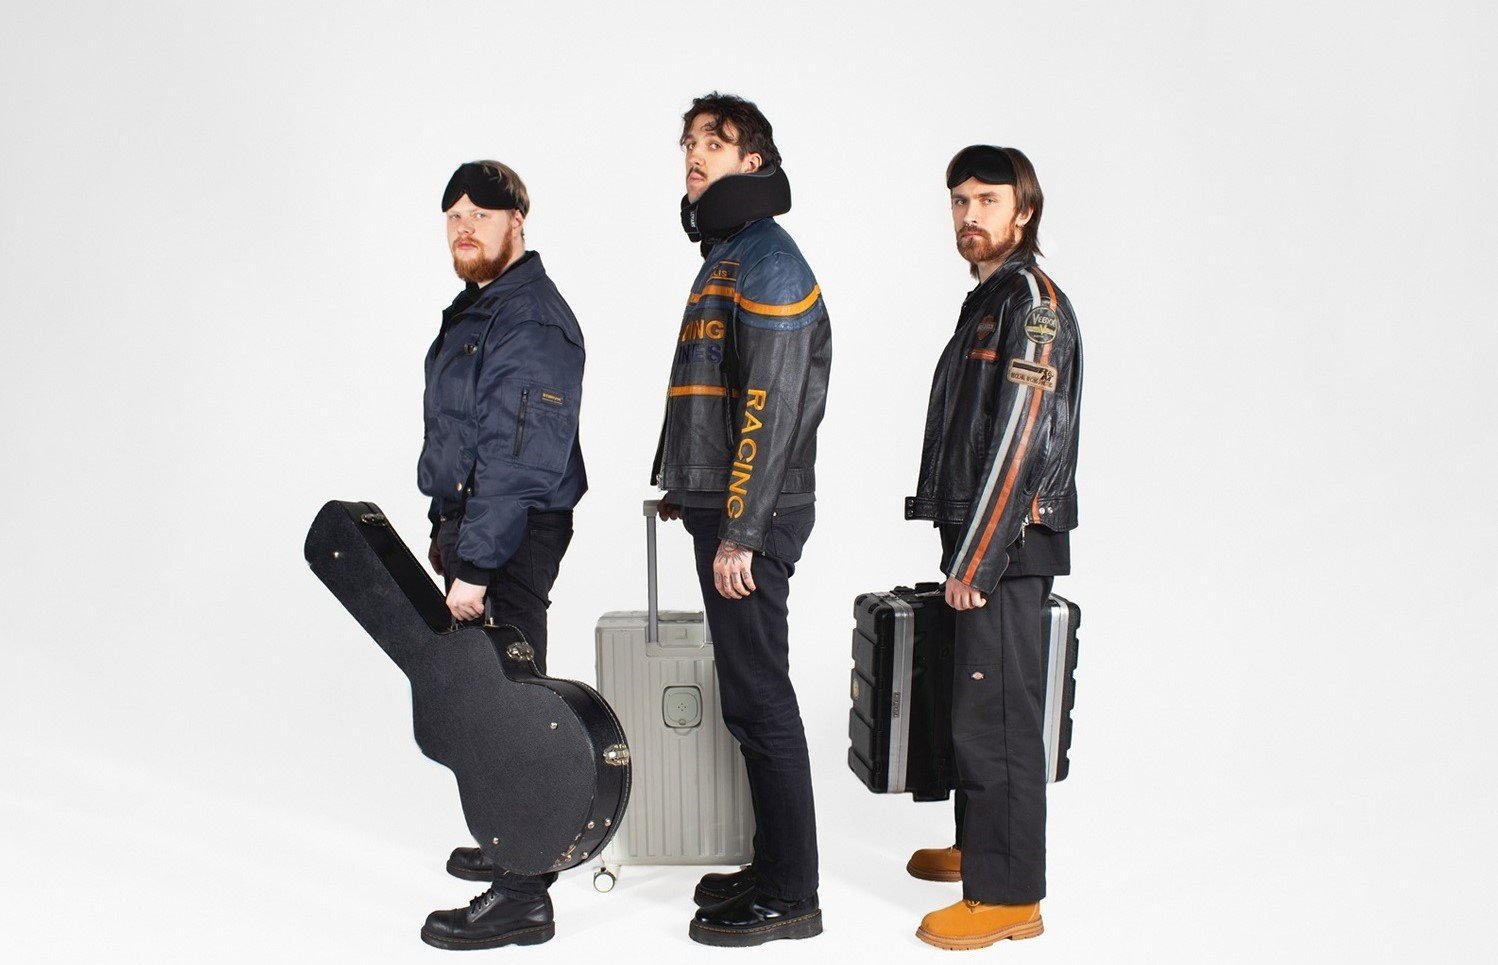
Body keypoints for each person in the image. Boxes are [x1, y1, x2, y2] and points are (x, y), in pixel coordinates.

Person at [651, 92, 831, 947]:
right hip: (725, 507)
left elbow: (771, 402)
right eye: (689, 142)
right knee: (747, 699)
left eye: (714, 143)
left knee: (762, 701)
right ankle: (772, 864)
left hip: (753, 519)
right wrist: (685, 485)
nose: (695, 154)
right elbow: (711, 393)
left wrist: (743, 531)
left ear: (752, 162)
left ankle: (793, 892)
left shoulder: (768, 260)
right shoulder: (730, 255)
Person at [903, 145, 1083, 950]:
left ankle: (1009, 894)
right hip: (979, 535)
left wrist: (978, 556)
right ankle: (980, 844)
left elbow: (1020, 436)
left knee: (1000, 715)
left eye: (988, 200)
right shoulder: (988, 298)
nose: (970, 214)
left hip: (1008, 544)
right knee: (969, 699)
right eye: (960, 200)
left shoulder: (1033, 306)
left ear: (1025, 210)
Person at [415, 160, 587, 951]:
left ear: (518, 219)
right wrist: (446, 524)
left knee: (515, 706)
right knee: (490, 694)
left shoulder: (531, 319)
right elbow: (464, 433)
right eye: (454, 214)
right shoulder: (486, 308)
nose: (465, 227)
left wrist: (476, 565)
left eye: (481, 214)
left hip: (510, 533)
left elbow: (519, 457)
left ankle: (522, 895)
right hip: (482, 524)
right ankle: (514, 840)